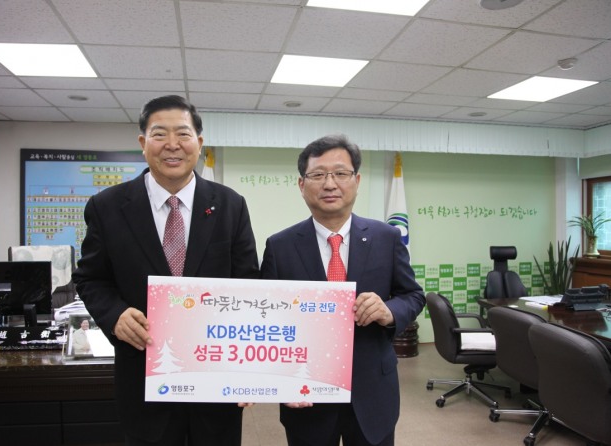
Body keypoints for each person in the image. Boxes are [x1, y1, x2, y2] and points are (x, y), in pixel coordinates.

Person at [72, 95, 260, 446]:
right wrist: (115, 314)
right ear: (143, 143)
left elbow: (248, 284)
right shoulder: (107, 206)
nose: (172, 144)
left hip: (215, 377)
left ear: (198, 143)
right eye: (159, 134)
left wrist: (245, 371)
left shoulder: (230, 205)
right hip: (144, 375)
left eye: (183, 134)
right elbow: (90, 277)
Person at [260, 134, 425, 446]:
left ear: (357, 181)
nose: (330, 184)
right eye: (318, 175)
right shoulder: (280, 246)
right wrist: (281, 381)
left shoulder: (387, 237)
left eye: (340, 173)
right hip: (306, 393)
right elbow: (267, 320)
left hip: (372, 391)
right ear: (301, 184)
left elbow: (413, 295)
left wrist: (389, 311)